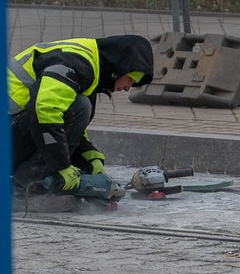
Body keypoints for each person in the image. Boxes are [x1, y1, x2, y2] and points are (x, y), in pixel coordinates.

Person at [9, 34, 155, 196]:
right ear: (120, 69)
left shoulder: (88, 65)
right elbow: (45, 111)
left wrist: (90, 158)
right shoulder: (76, 63)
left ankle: (29, 182)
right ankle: (26, 187)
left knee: (77, 109)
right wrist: (62, 166)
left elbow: (69, 129)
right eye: (130, 80)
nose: (128, 87)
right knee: (80, 106)